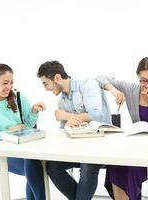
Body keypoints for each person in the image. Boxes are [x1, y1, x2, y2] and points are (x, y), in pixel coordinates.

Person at [96, 57, 148, 200]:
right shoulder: (132, 89)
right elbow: (99, 78)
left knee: (130, 166)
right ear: (138, 76)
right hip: (137, 147)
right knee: (116, 164)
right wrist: (114, 91)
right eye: (144, 80)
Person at [37, 60, 111, 200]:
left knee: (87, 164)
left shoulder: (88, 84)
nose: (45, 88)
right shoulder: (62, 101)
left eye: (45, 83)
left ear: (57, 78)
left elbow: (96, 115)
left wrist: (66, 116)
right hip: (78, 148)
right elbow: (64, 131)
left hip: (100, 146)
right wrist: (66, 124)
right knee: (52, 165)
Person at [0, 63, 46, 200]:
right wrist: (9, 131)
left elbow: (28, 126)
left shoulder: (19, 97)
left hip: (27, 150)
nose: (9, 87)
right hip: (5, 155)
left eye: (11, 83)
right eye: (5, 83)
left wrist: (33, 111)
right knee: (32, 163)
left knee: (34, 161)